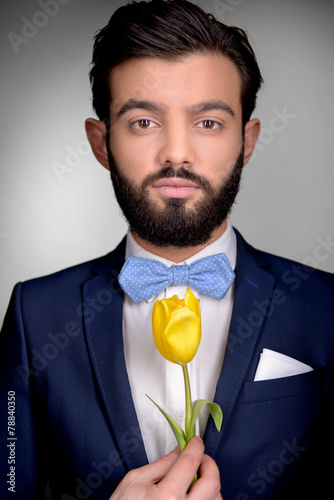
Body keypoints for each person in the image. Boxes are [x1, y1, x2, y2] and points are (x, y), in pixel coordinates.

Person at [0, 0, 333, 499]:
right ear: (100, 143)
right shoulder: (36, 314)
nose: (176, 153)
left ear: (246, 141)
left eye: (208, 123)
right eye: (142, 122)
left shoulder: (325, 307)